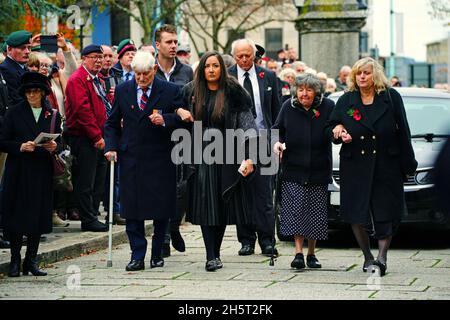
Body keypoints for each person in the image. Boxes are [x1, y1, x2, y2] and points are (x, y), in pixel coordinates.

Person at [326, 57, 417, 276]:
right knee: (356, 212)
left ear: (375, 74)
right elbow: (331, 125)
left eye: (366, 73)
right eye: (359, 73)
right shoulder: (347, 100)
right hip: (355, 164)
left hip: (386, 163)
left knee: (385, 211)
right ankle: (367, 257)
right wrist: (338, 130)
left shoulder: (391, 97)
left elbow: (403, 130)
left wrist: (408, 164)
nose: (362, 77)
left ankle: (382, 257)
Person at [104, 50, 186, 271]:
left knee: (161, 209)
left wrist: (165, 120)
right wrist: (111, 146)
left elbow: (183, 122)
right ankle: (137, 254)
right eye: (137, 74)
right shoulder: (123, 90)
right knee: (132, 209)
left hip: (160, 158)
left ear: (154, 70)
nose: (141, 79)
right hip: (132, 158)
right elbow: (111, 123)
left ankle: (157, 252)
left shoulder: (170, 91)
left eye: (145, 75)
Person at [177, 52, 257, 271]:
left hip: (228, 153)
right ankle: (210, 255)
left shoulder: (234, 92)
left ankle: (217, 252)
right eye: (207, 66)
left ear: (222, 68)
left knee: (221, 203)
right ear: (202, 69)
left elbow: (248, 127)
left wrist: (250, 156)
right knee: (206, 204)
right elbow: (172, 110)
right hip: (200, 155)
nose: (211, 70)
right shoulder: (190, 91)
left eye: (215, 66)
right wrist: (179, 110)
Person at [0, 72, 61, 277]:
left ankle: (31, 260)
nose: (32, 95)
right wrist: (20, 146)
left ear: (43, 93)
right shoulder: (14, 112)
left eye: (36, 91)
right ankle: (15, 260)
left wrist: (55, 146)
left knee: (37, 215)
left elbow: (61, 141)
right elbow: (3, 141)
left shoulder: (51, 114)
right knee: (17, 215)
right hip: (19, 170)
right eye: (29, 92)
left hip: (41, 171)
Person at [273, 74, 334, 270]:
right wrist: (277, 143)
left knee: (315, 213)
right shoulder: (288, 107)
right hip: (293, 168)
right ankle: (298, 253)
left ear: (316, 92)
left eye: (308, 90)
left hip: (318, 168)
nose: (304, 94)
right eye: (300, 90)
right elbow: (277, 130)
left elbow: (334, 130)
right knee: (296, 211)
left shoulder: (327, 107)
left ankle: (312, 253)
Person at [229, 38, 281, 257]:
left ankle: (267, 240)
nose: (243, 60)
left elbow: (277, 110)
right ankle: (246, 240)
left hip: (264, 139)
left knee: (264, 193)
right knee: (242, 193)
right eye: (239, 56)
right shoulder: (227, 77)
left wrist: (277, 140)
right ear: (234, 57)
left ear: (254, 55)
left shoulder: (267, 76)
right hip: (237, 141)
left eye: (247, 56)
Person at [154, 24, 194, 257]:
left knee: (182, 186)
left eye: (175, 42)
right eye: (169, 42)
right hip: (158, 136)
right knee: (163, 186)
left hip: (182, 135)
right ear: (157, 45)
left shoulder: (186, 71)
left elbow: (190, 102)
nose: (173, 46)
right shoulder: (149, 70)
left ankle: (173, 227)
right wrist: (174, 111)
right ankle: (166, 234)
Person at [64, 44, 110, 232]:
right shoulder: (78, 80)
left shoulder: (98, 79)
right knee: (86, 180)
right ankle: (88, 218)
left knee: (99, 178)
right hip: (84, 138)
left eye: (100, 57)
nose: (98, 60)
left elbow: (102, 105)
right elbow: (83, 111)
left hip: (100, 136)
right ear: (83, 58)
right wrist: (96, 136)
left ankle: (93, 214)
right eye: (94, 57)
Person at [0, 30, 32, 106]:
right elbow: (18, 103)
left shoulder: (23, 68)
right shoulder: (6, 70)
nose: (27, 51)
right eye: (22, 48)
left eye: (29, 47)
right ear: (9, 49)